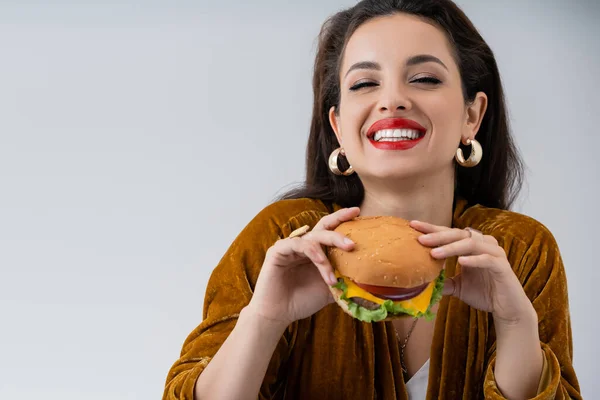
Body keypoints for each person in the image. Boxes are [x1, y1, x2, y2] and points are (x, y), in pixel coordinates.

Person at [162, 0, 581, 399]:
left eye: (425, 78)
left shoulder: (518, 250)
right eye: (364, 83)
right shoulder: (286, 240)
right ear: (339, 125)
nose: (392, 99)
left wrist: (514, 324)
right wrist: (266, 319)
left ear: (472, 115)